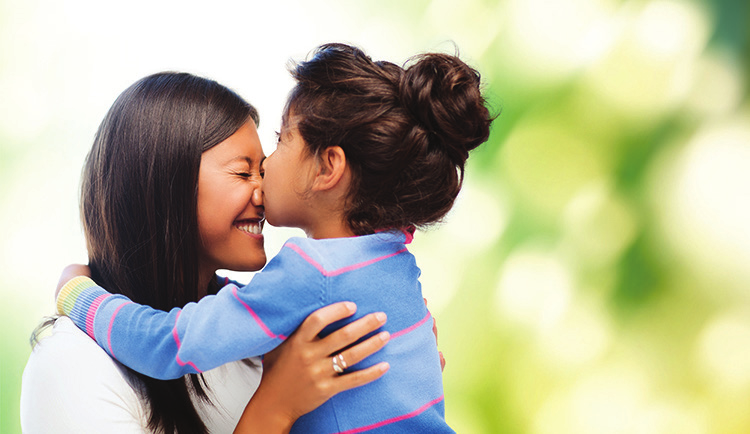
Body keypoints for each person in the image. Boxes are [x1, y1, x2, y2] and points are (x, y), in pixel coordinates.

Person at [56, 43, 493, 433]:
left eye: (281, 141)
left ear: (328, 167)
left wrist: (78, 295)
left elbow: (168, 344)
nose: (263, 173)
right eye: (242, 170)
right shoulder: (393, 261)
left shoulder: (311, 271)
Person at [21, 71, 393, 434]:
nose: (263, 195)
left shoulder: (265, 341)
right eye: (243, 174)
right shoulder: (71, 362)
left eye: (262, 172)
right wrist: (276, 405)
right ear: (166, 185)